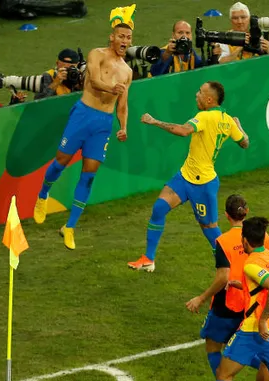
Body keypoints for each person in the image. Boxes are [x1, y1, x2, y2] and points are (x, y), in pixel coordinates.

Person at [127, 81, 249, 272]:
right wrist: (239, 127)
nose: (196, 94)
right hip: (186, 176)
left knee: (209, 228)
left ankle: (231, 264)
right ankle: (148, 259)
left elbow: (183, 131)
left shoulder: (205, 116)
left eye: (200, 92)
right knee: (159, 208)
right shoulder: (227, 120)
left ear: (209, 99)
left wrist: (155, 121)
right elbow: (245, 143)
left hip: (203, 184)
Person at [32, 22, 134, 250]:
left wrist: (123, 126)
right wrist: (113, 89)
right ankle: (42, 196)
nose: (124, 41)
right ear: (112, 37)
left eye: (128, 37)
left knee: (89, 174)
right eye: (121, 36)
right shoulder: (96, 54)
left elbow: (123, 106)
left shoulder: (127, 72)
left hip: (103, 124)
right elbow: (96, 81)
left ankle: (70, 227)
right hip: (83, 114)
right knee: (62, 160)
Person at [185, 194, 269, 378]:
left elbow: (223, 277)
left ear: (226, 215)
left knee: (213, 345)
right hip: (253, 303)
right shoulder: (263, 236)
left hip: (227, 303)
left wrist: (201, 298)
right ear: (246, 211)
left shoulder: (223, 241)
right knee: (244, 347)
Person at [216, 217, 269, 381]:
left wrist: (263, 320)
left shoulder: (251, 264)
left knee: (223, 374)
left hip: (254, 328)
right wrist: (244, 285)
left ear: (244, 240)